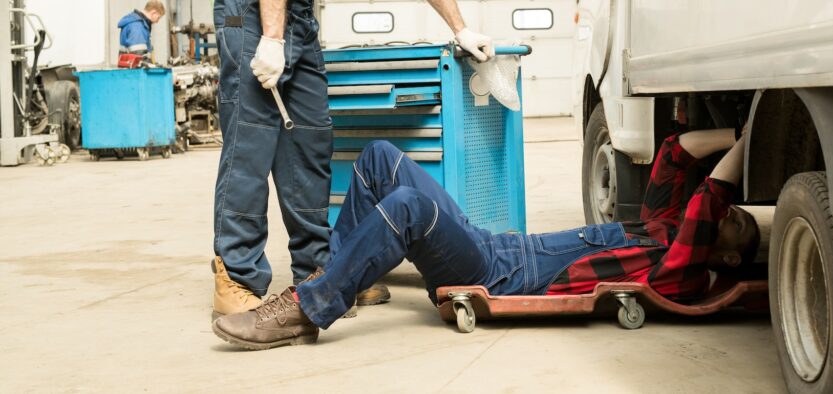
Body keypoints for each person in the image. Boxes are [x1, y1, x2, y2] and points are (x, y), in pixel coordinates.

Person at [211, 0, 496, 318]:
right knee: (252, 139)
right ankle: (236, 277)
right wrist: (270, 40)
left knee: (312, 140)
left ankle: (318, 268)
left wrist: (462, 28)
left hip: (293, 7)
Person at [212, 129, 760, 350]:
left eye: (735, 222)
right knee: (381, 156)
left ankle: (310, 307)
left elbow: (709, 198)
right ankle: (339, 276)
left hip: (498, 274)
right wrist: (740, 135)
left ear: (729, 253)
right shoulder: (661, 226)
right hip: (495, 245)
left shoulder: (683, 271)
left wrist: (742, 154)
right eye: (734, 212)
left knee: (407, 209)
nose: (726, 213)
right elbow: (674, 154)